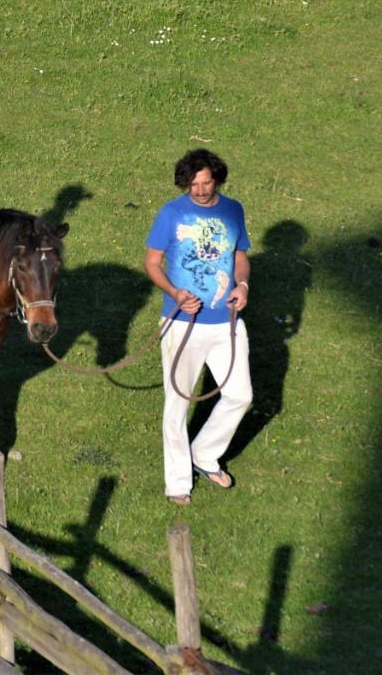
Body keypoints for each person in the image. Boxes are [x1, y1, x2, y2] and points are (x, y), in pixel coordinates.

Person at [144, 149, 253, 505]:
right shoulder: (172, 212)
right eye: (194, 184)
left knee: (240, 394)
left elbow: (239, 256)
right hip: (181, 321)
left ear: (217, 179)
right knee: (177, 403)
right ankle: (177, 482)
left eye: (206, 182)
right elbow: (152, 262)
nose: (202, 190)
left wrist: (242, 286)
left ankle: (205, 454)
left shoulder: (233, 210)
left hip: (227, 321)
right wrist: (175, 293)